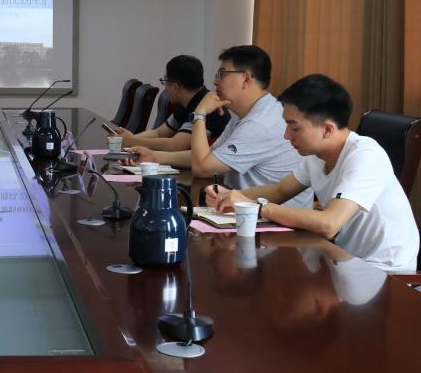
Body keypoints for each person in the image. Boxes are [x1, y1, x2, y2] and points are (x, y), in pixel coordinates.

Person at [209, 74, 419, 273]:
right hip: (344, 261)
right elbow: (279, 190)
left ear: (327, 129)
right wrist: (230, 197)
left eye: (294, 128)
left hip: (383, 272)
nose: (286, 135)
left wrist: (256, 208)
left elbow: (329, 223)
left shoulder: (365, 155)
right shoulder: (316, 156)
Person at [131, 45, 313, 208]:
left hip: (274, 224)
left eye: (222, 74)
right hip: (244, 209)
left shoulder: (260, 123)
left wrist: (200, 113)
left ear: (246, 78)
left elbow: (202, 168)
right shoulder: (247, 113)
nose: (215, 82)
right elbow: (209, 156)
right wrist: (154, 156)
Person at [116, 55, 230, 151]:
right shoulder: (185, 102)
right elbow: (159, 133)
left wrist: (132, 141)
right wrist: (130, 139)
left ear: (175, 87)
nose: (165, 87)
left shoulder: (208, 107)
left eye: (165, 81)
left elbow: (175, 145)